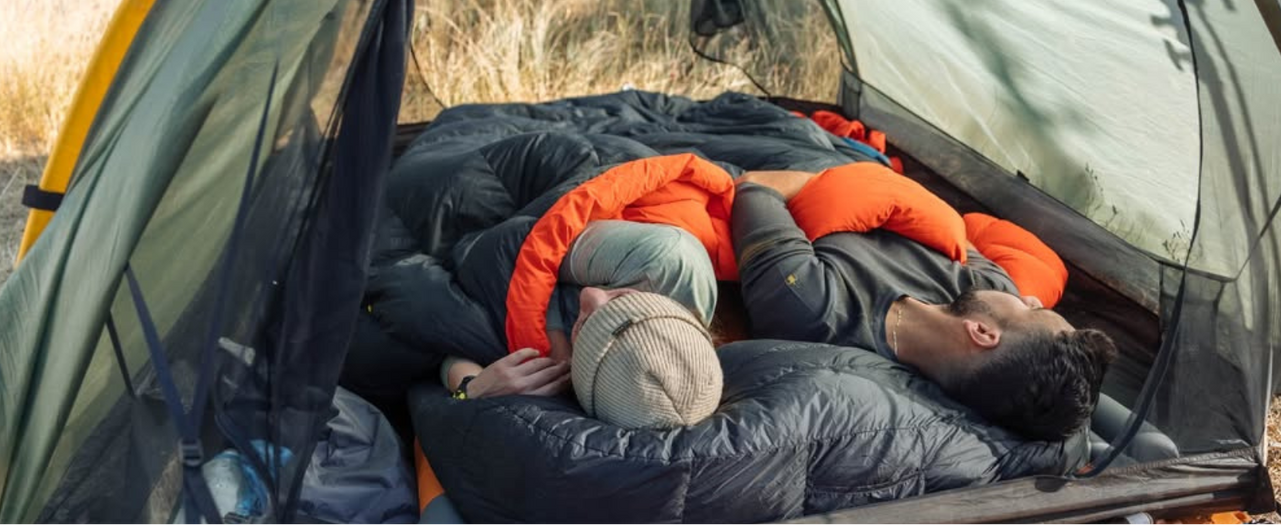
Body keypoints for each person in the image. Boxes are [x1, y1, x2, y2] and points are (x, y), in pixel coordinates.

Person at [731, 170, 1115, 441]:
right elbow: (946, 224)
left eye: (1032, 311)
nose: (1029, 297)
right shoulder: (989, 286)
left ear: (982, 333)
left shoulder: (816, 308)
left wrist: (836, 181)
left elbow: (756, 187)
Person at [440, 220, 723, 429]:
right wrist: (551, 336)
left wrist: (472, 389)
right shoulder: (663, 259)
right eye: (621, 301)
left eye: (587, 328)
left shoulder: (599, 388)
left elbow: (452, 347)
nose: (591, 294)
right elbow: (528, 243)